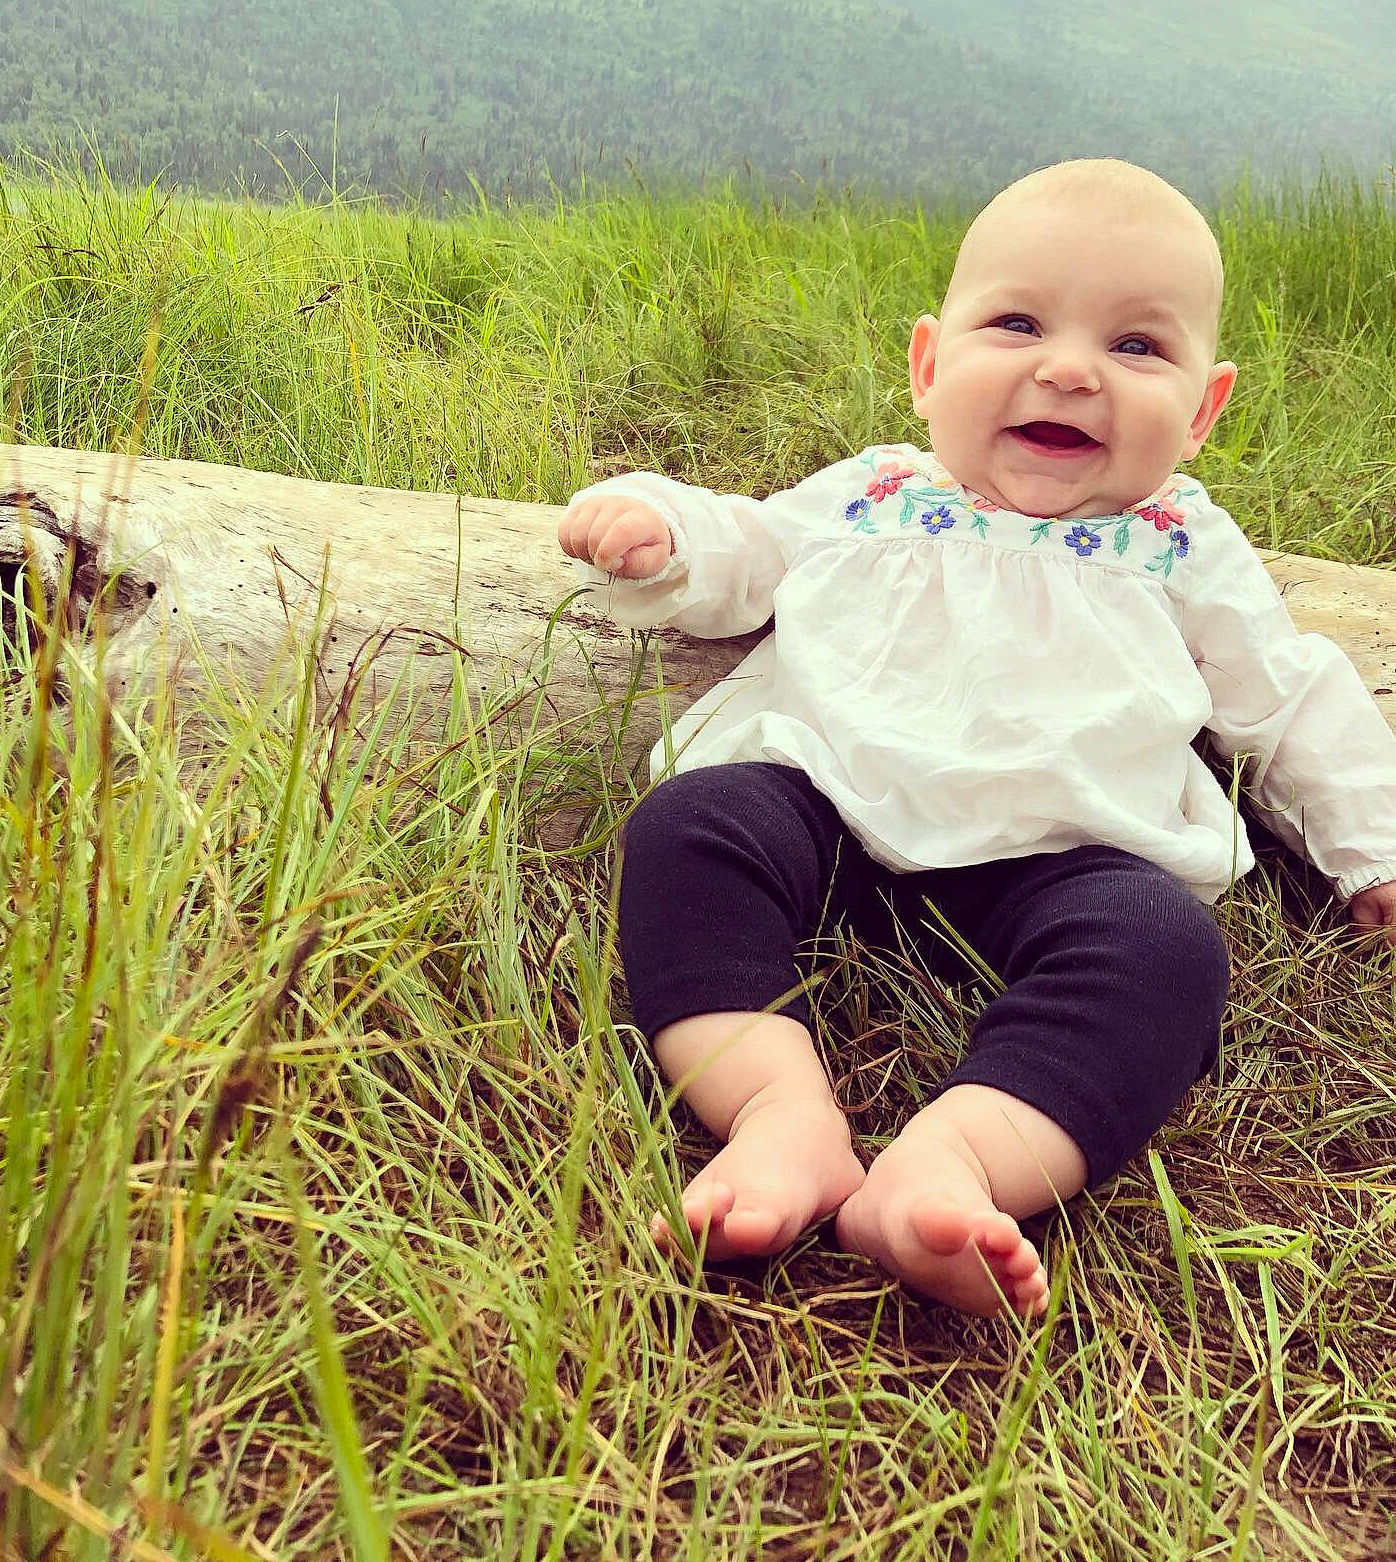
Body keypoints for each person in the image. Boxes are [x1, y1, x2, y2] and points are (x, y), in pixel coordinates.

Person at [557, 158, 1396, 1319]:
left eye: (1137, 346)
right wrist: (662, 525)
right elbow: (748, 551)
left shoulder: (1177, 541)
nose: (1070, 370)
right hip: (832, 810)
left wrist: (1374, 845)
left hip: (1068, 857)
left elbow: (1286, 694)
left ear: (1203, 412)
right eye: (1017, 324)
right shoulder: (875, 493)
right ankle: (777, 1115)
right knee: (693, 829)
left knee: (1166, 954)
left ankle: (953, 1162)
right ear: (927, 365)